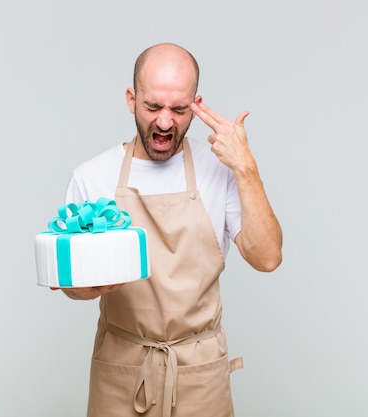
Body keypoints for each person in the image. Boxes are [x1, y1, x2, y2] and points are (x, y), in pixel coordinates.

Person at [57, 43, 282, 417]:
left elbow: (267, 257)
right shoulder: (91, 177)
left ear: (196, 103)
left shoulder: (221, 169)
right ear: (131, 99)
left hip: (198, 372)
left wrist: (246, 168)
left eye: (179, 109)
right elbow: (72, 285)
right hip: (122, 368)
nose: (165, 122)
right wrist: (87, 286)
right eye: (153, 107)